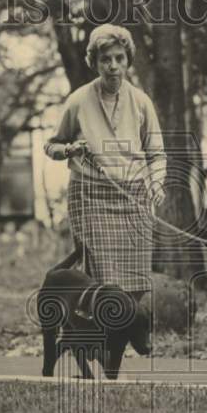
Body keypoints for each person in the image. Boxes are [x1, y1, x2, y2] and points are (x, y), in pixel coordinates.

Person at [44, 24, 166, 302]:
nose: (113, 66)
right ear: (94, 63)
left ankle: (116, 340)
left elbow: (157, 154)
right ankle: (94, 340)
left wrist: (156, 183)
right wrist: (70, 149)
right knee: (102, 279)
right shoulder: (77, 101)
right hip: (90, 197)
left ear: (127, 61)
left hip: (133, 197)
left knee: (135, 281)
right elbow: (51, 145)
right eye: (105, 59)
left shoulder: (141, 102)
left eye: (119, 58)